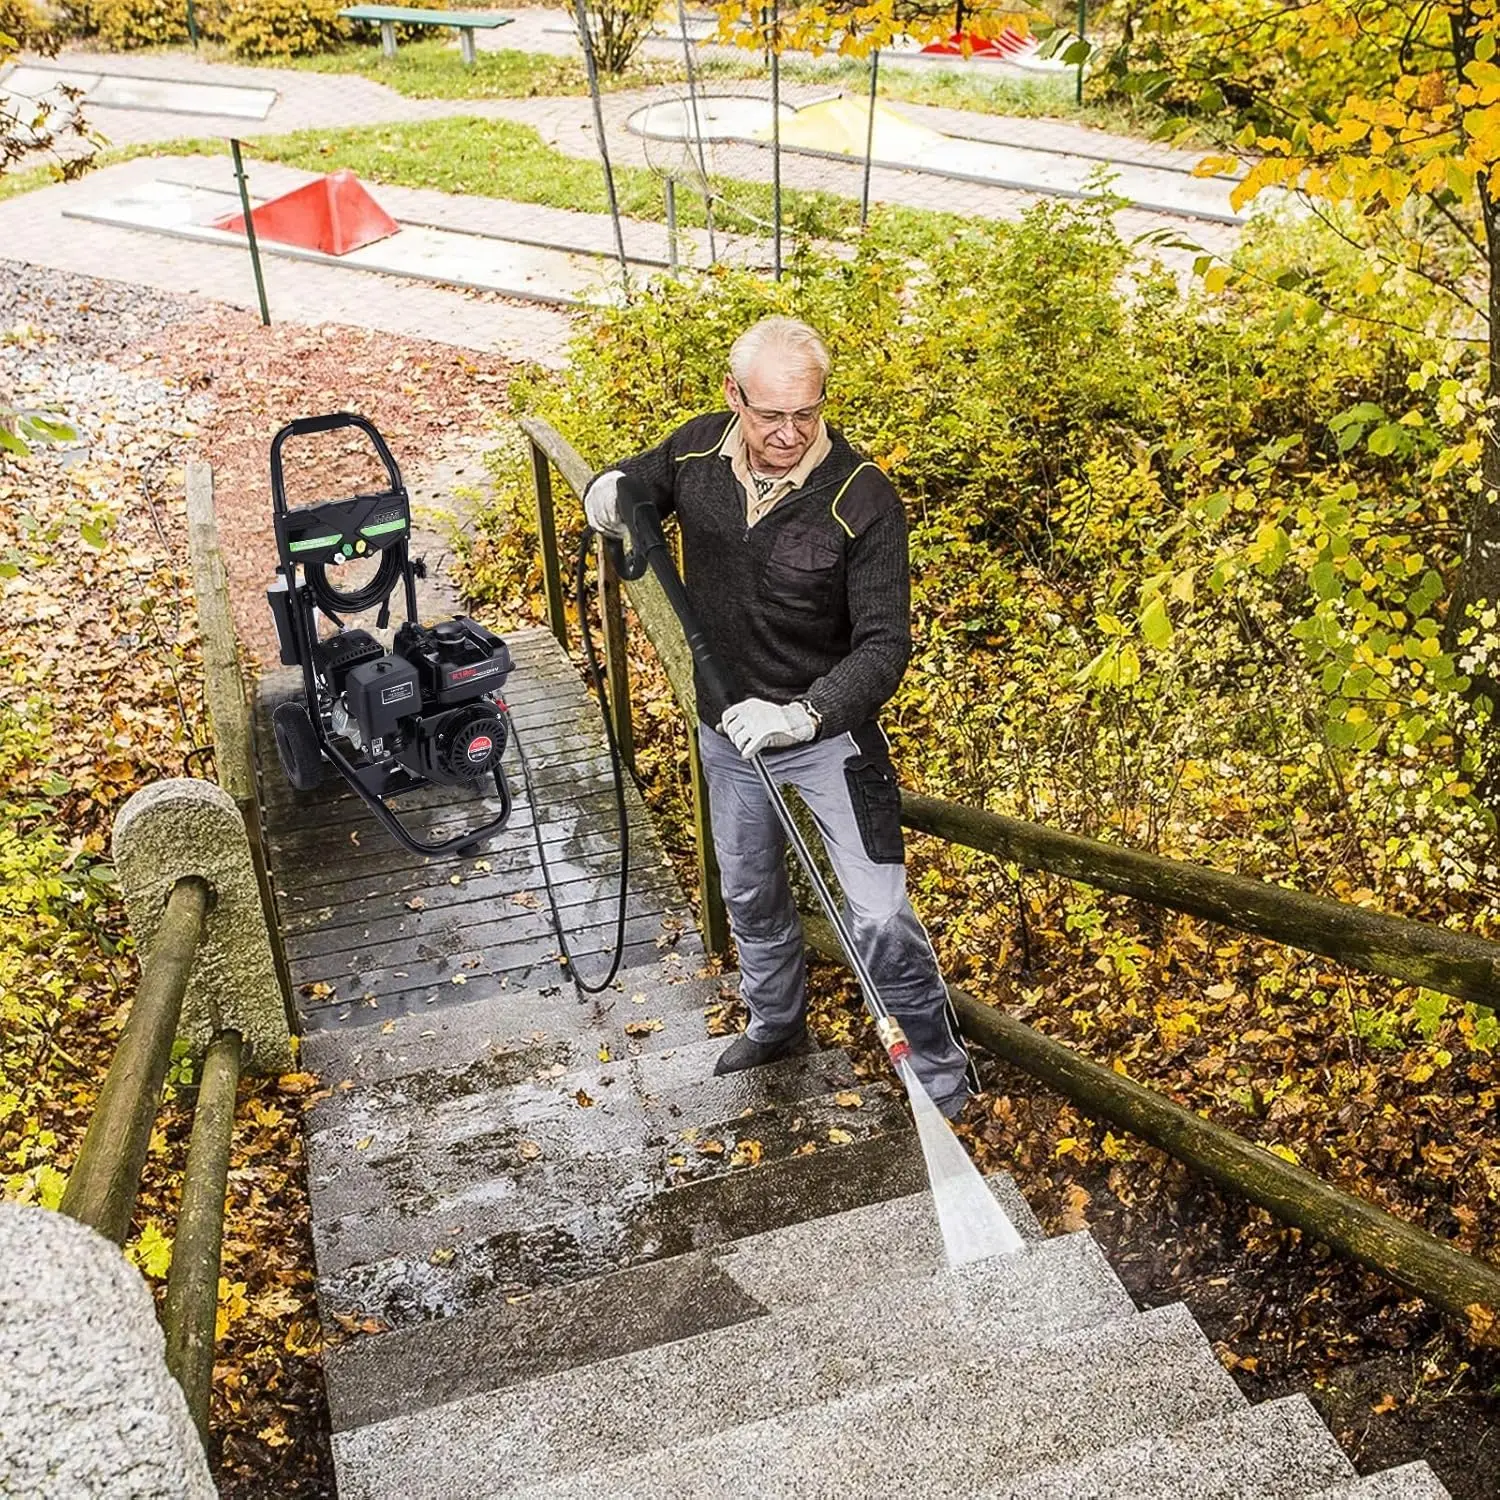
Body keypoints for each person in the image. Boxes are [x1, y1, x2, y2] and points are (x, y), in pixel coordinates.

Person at [583, 315, 977, 1119]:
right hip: (727, 731)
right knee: (751, 889)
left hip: (829, 739)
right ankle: (776, 1022)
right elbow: (638, 482)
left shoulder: (863, 500)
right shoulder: (698, 451)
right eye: (769, 415)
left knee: (877, 914)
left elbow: (884, 647)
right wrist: (608, 489)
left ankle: (940, 1075)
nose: (791, 433)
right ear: (735, 399)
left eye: (808, 412)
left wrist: (806, 714)